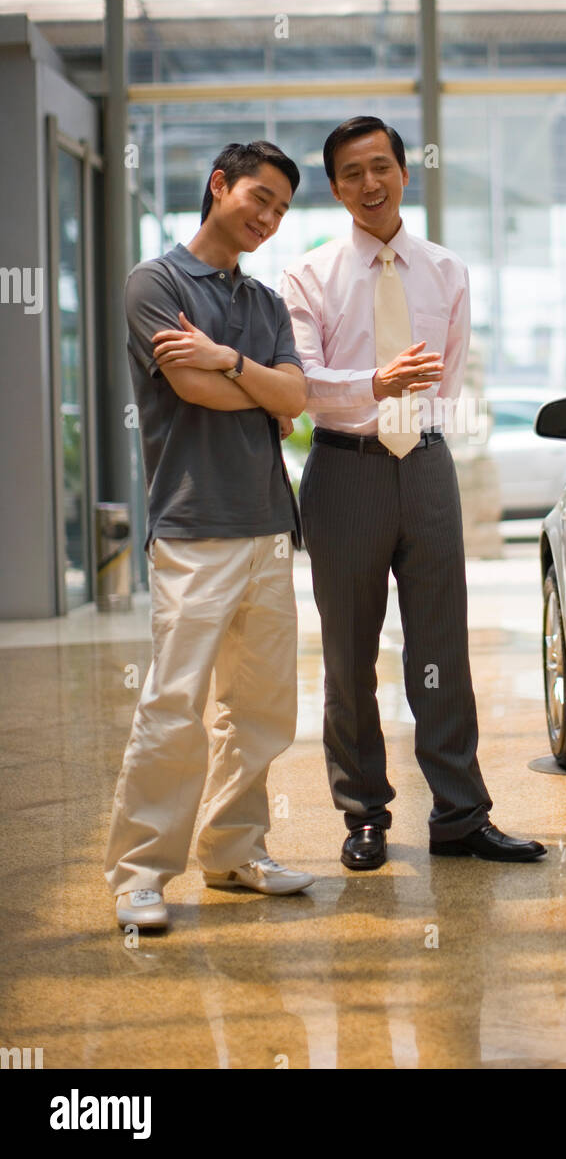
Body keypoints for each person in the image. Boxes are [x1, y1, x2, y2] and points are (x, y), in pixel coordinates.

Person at [281, 116, 546, 870]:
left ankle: (461, 815)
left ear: (404, 172)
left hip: (426, 465)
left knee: (441, 649)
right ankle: (364, 815)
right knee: (348, 655)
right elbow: (301, 386)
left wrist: (414, 424)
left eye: (381, 167)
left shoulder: (446, 270)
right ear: (335, 188)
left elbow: (448, 378)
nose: (369, 184)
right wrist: (375, 385)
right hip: (344, 470)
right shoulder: (308, 275)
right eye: (352, 173)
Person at [105, 140, 314, 931]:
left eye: (282, 210)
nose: (269, 218)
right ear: (219, 186)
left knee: (260, 708)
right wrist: (261, 388)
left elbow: (297, 396)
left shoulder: (265, 303)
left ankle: (234, 851)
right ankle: (139, 873)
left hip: (269, 525)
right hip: (194, 526)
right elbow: (193, 388)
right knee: (174, 703)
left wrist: (228, 359)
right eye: (260, 198)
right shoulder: (155, 282)